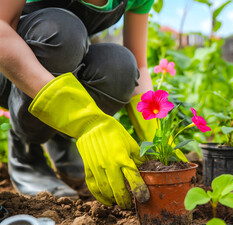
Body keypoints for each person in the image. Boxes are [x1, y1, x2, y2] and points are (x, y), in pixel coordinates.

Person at [0, 0, 186, 209]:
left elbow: (140, 66)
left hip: (66, 59)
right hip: (11, 66)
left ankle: (61, 140)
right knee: (62, 33)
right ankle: (26, 153)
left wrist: (155, 132)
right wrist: (87, 122)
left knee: (121, 67)